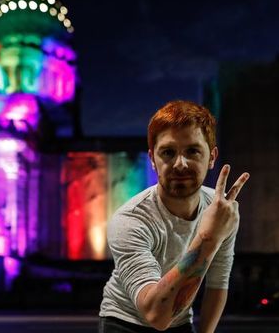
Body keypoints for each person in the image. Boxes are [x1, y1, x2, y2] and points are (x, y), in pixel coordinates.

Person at [99, 100, 249, 332]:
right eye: (168, 152)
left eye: (192, 151)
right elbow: (155, 316)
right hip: (125, 321)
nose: (180, 164)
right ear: (152, 159)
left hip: (179, 318)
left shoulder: (222, 211)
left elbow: (218, 283)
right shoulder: (130, 220)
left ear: (211, 157)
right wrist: (208, 238)